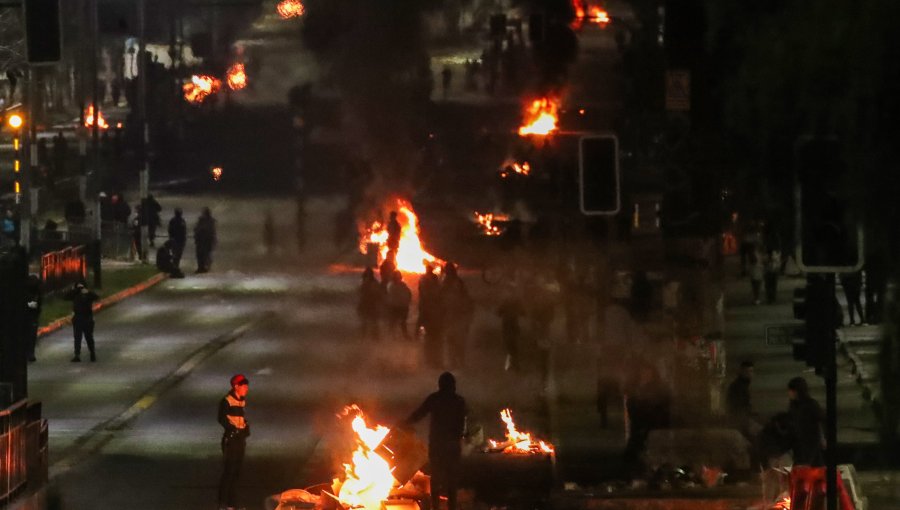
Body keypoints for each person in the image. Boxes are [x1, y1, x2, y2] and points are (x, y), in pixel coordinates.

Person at [404, 372, 467, 510]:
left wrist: (405, 423)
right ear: (453, 386)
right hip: (452, 445)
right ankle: (451, 507)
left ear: (440, 385)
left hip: (438, 444)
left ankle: (435, 507)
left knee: (436, 477)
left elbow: (419, 414)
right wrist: (461, 436)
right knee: (451, 478)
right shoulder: (459, 401)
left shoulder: (435, 399)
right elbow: (464, 422)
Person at [623, 362, 670, 478]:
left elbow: (662, 408)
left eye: (648, 372)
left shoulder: (658, 390)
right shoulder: (635, 389)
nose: (645, 375)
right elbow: (631, 407)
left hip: (653, 429)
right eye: (643, 372)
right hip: (638, 428)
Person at [218, 374, 250, 510]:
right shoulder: (227, 401)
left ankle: (233, 503)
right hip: (231, 440)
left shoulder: (241, 400)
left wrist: (245, 427)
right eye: (244, 386)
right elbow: (221, 418)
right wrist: (233, 430)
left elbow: (241, 418)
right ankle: (223, 503)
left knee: (237, 472)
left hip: (240, 440)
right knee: (229, 472)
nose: (246, 389)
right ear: (236, 386)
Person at [786, 377, 825, 466]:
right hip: (799, 441)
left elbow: (819, 421)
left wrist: (822, 438)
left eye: (791, 391)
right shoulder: (793, 405)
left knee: (812, 464)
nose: (789, 393)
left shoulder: (811, 404)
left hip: (811, 440)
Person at [441, 263, 473, 368]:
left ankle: (458, 362)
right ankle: (456, 362)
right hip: (452, 315)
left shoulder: (452, 282)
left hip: (457, 315)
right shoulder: (448, 282)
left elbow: (465, 298)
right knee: (454, 340)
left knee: (457, 340)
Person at [63, 282, 99, 362]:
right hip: (78, 317)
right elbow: (65, 297)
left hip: (87, 317)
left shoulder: (88, 295)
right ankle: (77, 354)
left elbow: (96, 297)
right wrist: (74, 290)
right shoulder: (75, 294)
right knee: (77, 337)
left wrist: (88, 292)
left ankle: (92, 353)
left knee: (89, 337)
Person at [726, 361, 759, 438]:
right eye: (747, 371)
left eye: (751, 371)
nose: (749, 374)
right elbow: (738, 406)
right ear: (741, 372)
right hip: (740, 421)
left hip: (740, 419)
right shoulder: (739, 386)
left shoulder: (740, 385)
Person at [497, 290, 524, 371]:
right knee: (513, 345)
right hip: (513, 326)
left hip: (507, 326)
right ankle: (514, 363)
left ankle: (512, 363)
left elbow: (498, 313)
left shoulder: (505, 302)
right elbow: (523, 312)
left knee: (509, 345)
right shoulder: (517, 302)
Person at [358, 267, 383, 341]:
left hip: (370, 304)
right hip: (368, 304)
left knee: (371, 322)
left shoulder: (366, 282)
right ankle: (368, 337)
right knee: (368, 322)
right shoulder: (369, 283)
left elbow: (377, 294)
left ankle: (372, 337)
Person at [386, 270, 412, 340]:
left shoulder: (402, 285)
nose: (398, 278)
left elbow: (408, 293)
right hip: (395, 306)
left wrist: (407, 301)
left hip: (401, 306)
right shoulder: (392, 285)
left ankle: (403, 335)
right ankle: (393, 336)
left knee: (401, 322)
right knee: (394, 322)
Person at [194, 207, 217, 273]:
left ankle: (203, 267)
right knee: (203, 255)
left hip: (205, 241)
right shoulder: (209, 221)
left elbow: (197, 229)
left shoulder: (205, 221)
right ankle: (202, 267)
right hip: (204, 241)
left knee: (204, 255)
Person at [25, 274, 42, 362]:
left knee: (30, 335)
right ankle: (30, 353)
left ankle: (29, 353)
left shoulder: (36, 293)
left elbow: (39, 304)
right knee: (31, 335)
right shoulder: (35, 292)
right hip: (31, 315)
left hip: (31, 315)